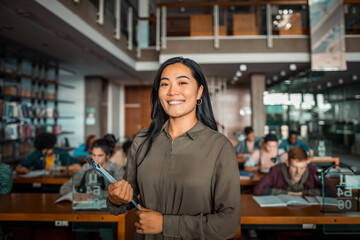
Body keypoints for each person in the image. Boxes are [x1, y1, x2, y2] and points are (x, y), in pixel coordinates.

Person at [107, 57, 240, 239]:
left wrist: (164, 224)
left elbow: (229, 222)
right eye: (164, 84)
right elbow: (126, 201)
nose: (172, 91)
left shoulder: (219, 146)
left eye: (182, 82)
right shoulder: (143, 140)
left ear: (200, 91)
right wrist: (116, 199)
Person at [253, 147, 336, 196]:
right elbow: (258, 190)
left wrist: (303, 193)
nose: (298, 172)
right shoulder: (276, 170)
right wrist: (287, 193)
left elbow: (332, 191)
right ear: (287, 162)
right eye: (294, 167)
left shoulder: (312, 171)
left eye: (302, 168)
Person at [60, 137, 125, 195]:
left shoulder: (116, 168)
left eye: (100, 155)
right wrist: (81, 196)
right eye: (93, 155)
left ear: (107, 156)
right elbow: (64, 188)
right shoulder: (86, 168)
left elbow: (123, 191)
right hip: (88, 204)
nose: (96, 159)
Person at [15, 132, 81, 175]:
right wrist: (22, 169)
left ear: (52, 147)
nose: (44, 152)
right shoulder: (37, 153)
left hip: (59, 182)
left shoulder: (61, 152)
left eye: (47, 149)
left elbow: (77, 167)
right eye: (42, 150)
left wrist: (58, 168)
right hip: (41, 183)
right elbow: (19, 166)